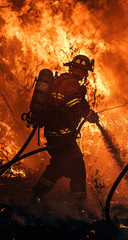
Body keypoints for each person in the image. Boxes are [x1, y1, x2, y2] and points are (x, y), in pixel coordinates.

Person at [32, 55, 99, 208]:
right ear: (82, 71)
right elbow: (72, 102)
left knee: (57, 166)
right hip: (62, 136)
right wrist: (87, 114)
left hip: (54, 134)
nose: (85, 74)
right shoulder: (71, 83)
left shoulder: (60, 80)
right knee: (78, 170)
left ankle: (37, 194)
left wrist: (87, 111)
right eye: (84, 71)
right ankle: (78, 208)